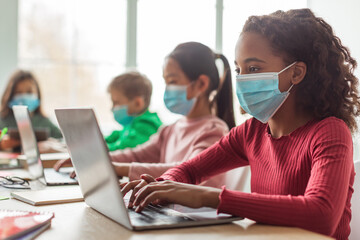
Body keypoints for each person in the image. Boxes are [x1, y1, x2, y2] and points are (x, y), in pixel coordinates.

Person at [121, 9, 358, 240]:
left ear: (296, 73)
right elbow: (189, 170)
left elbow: (321, 216)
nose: (242, 79)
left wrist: (209, 196)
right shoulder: (251, 131)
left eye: (254, 68)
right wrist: (159, 186)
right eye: (239, 69)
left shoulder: (330, 132)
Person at [55, 42, 236, 187]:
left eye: (173, 81)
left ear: (201, 84)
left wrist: (117, 168)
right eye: (166, 82)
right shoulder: (170, 130)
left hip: (200, 220)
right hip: (170, 211)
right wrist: (90, 159)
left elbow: (187, 170)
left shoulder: (214, 130)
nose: (167, 90)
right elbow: (136, 155)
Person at [0, 70, 62, 151]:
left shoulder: (44, 122)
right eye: (18, 92)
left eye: (29, 92)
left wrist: (51, 143)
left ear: (37, 94)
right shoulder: (2, 121)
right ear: (10, 95)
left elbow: (64, 141)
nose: (24, 96)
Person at [104, 71, 162, 151]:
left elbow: (123, 150)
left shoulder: (146, 126)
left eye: (116, 102)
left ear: (138, 103)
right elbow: (115, 136)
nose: (112, 108)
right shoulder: (130, 125)